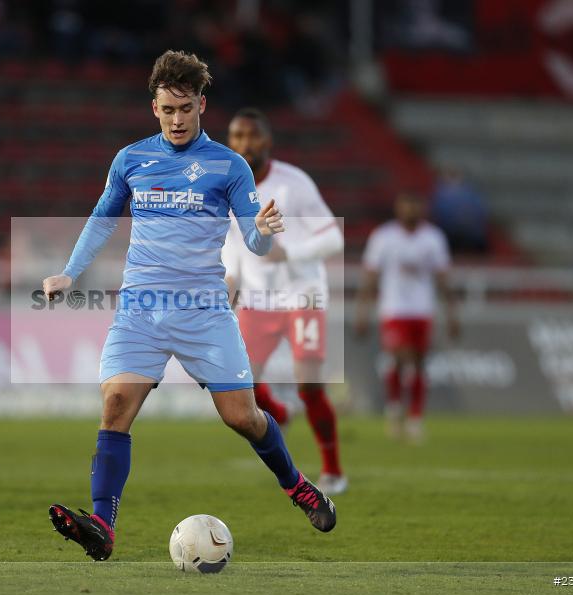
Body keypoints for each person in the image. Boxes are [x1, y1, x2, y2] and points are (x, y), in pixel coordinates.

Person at [42, 50, 336, 562]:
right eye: (167, 110)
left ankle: (297, 485)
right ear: (153, 108)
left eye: (186, 109)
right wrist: (71, 271)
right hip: (142, 309)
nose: (177, 119)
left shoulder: (229, 165)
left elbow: (255, 240)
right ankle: (103, 527)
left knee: (242, 418)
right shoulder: (131, 159)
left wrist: (263, 234)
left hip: (203, 310)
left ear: (202, 104)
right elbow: (102, 219)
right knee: (115, 406)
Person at [222, 107, 347, 495]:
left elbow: (333, 238)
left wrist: (289, 253)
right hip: (257, 300)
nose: (245, 144)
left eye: (252, 136)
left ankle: (333, 470)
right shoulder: (226, 186)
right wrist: (228, 284)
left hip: (302, 296)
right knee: (243, 385)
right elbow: (232, 248)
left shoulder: (294, 183)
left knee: (309, 385)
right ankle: (278, 415)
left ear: (267, 141)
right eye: (238, 137)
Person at [354, 192, 460, 442]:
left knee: (419, 363)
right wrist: (362, 310)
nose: (411, 209)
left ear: (421, 208)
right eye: (407, 204)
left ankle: (414, 418)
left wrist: (452, 313)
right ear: (398, 207)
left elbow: (443, 278)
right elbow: (370, 276)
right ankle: (394, 410)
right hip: (394, 309)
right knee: (401, 356)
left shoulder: (433, 238)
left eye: (415, 203)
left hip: (422, 310)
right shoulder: (383, 237)